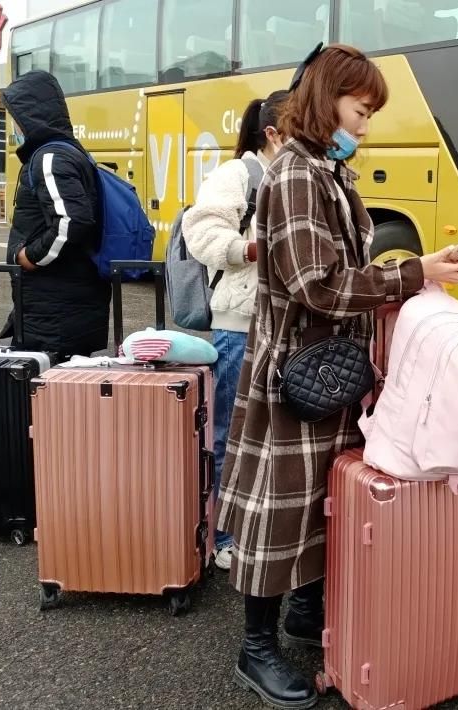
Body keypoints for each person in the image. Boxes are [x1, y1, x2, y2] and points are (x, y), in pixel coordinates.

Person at [216, 44, 458, 709]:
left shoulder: (329, 171)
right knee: (279, 509)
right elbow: (318, 285)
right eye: (361, 109)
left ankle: (305, 615)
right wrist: (418, 273)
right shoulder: (298, 175)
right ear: (327, 98)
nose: (365, 125)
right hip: (297, 373)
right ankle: (256, 646)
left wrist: (422, 264)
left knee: (320, 502)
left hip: (327, 372)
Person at [183, 91, 288, 571]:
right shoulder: (238, 175)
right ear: (273, 134)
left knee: (275, 434)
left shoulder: (299, 174)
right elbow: (200, 233)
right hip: (239, 325)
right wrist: (252, 251)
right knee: (231, 431)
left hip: (285, 325)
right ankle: (225, 536)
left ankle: (261, 527)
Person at [0, 70, 110, 360]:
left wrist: (31, 256)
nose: (14, 124)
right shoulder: (71, 153)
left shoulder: (50, 158)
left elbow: (72, 221)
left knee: (44, 388)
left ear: (31, 114)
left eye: (16, 115)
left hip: (55, 304)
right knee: (66, 392)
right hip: (68, 303)